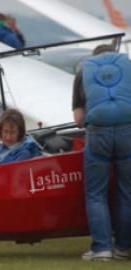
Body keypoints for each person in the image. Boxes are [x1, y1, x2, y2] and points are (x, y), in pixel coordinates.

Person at [73, 44, 131, 261]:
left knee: (96, 194)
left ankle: (102, 249)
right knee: (127, 191)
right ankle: (123, 248)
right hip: (128, 133)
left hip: (98, 135)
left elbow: (79, 120)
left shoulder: (83, 74)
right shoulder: (128, 69)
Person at [0, 13, 25, 127]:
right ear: (5, 22)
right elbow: (20, 51)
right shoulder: (11, 36)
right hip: (11, 73)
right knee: (11, 100)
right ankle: (14, 125)